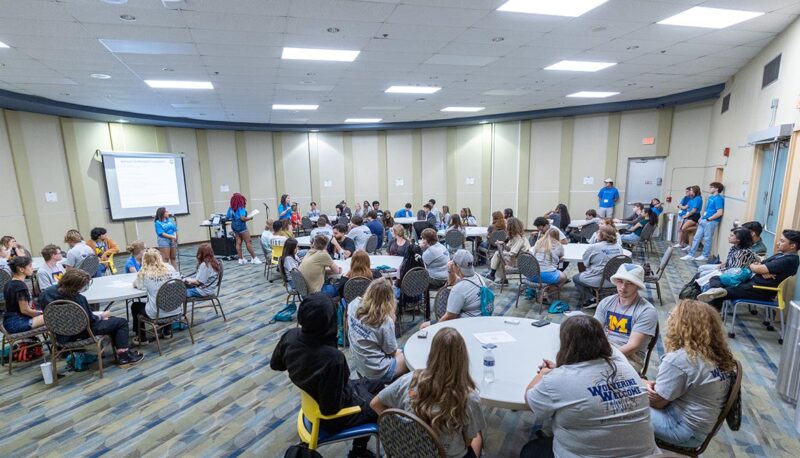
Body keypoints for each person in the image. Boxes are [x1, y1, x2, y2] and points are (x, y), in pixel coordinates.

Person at [521, 315, 658, 458]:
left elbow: (530, 401)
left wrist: (543, 373)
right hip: (647, 455)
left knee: (531, 449)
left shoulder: (557, 380)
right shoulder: (623, 364)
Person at [271, 293, 382, 458]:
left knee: (378, 384)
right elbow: (330, 409)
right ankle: (358, 451)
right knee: (380, 405)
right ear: (328, 322)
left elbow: (276, 364)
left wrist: (303, 368)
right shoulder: (333, 359)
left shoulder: (290, 336)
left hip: (314, 397)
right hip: (331, 416)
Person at [371, 327, 485, 458]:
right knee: (478, 436)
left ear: (432, 353)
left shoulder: (410, 380)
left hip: (408, 452)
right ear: (463, 359)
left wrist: (396, 428)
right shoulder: (469, 397)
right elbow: (467, 441)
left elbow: (375, 404)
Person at [646, 300, 736, 448]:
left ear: (682, 326)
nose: (668, 320)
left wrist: (637, 387)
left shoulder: (680, 360)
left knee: (618, 407)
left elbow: (658, 403)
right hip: (704, 427)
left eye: (671, 316)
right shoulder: (717, 354)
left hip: (683, 429)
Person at [38, 269, 144, 366]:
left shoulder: (46, 294)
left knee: (112, 322)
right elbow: (90, 320)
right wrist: (102, 316)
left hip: (60, 334)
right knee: (121, 322)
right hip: (82, 331)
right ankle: (124, 356)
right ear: (76, 286)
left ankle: (122, 352)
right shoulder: (79, 299)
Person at [698, 229, 800, 308]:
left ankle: (712, 313)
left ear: (792, 246)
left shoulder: (789, 260)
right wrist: (759, 268)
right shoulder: (780, 255)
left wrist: (758, 268)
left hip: (759, 290)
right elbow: (759, 264)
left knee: (722, 292)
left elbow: (757, 267)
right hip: (750, 283)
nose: (778, 243)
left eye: (782, 241)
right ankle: (715, 296)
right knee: (716, 279)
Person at [593, 264, 658, 372]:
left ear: (638, 285)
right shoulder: (606, 302)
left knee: (598, 373)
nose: (623, 287)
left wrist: (603, 358)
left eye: (630, 283)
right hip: (604, 348)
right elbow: (593, 331)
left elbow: (633, 346)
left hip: (631, 357)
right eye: (620, 281)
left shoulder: (646, 311)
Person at [347, 278, 408, 382]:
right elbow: (391, 351)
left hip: (359, 364)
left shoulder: (354, 304)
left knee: (401, 351)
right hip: (377, 370)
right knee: (409, 356)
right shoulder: (385, 321)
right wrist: (392, 319)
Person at [421, 250, 486, 329]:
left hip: (465, 325)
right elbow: (451, 282)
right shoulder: (478, 277)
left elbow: (449, 317)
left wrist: (435, 328)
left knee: (424, 326)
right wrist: (450, 271)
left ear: (457, 267)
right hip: (480, 319)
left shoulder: (459, 289)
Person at [132, 248, 181, 342]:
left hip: (157, 313)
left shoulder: (145, 272)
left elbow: (137, 285)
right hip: (175, 308)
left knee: (135, 306)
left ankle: (141, 338)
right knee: (167, 297)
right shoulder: (169, 268)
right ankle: (167, 331)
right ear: (159, 257)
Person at [573, 226, 624, 308]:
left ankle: (591, 299)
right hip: (614, 280)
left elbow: (586, 264)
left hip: (598, 280)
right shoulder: (619, 247)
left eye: (598, 232)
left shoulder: (594, 247)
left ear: (602, 235)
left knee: (576, 278)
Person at [682, 182, 725, 262]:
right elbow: (707, 209)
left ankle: (705, 255)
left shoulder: (719, 199)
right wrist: (702, 217)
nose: (710, 188)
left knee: (707, 239)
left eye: (711, 187)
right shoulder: (710, 197)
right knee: (696, 237)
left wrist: (709, 219)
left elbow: (719, 212)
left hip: (711, 221)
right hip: (704, 219)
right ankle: (691, 254)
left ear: (717, 189)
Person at [3, 256, 45, 333]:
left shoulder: (9, 283)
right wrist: (40, 313)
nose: (32, 268)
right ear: (21, 269)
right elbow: (25, 310)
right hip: (17, 323)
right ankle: (61, 341)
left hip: (9, 322)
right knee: (53, 317)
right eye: (30, 266)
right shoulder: (20, 286)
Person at [487, 217, 530, 284]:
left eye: (507, 223)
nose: (505, 225)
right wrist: (503, 244)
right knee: (499, 256)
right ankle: (498, 277)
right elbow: (510, 249)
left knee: (498, 255)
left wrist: (502, 253)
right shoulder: (515, 236)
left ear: (511, 226)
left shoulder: (519, 238)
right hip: (518, 258)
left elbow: (513, 253)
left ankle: (493, 274)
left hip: (520, 262)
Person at [227, 193, 261, 265]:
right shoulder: (241, 207)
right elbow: (242, 218)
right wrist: (249, 218)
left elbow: (228, 216)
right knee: (248, 242)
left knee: (238, 242)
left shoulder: (231, 208)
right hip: (241, 227)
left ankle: (241, 259)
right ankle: (254, 258)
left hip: (234, 226)